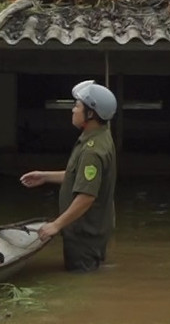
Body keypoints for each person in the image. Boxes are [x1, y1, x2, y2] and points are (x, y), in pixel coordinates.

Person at [19, 80, 118, 273]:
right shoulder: (99, 136)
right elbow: (80, 178)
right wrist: (45, 176)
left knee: (81, 287)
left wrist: (56, 225)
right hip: (91, 229)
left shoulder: (92, 151)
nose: (73, 110)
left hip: (84, 234)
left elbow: (87, 196)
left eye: (77, 106)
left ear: (90, 114)